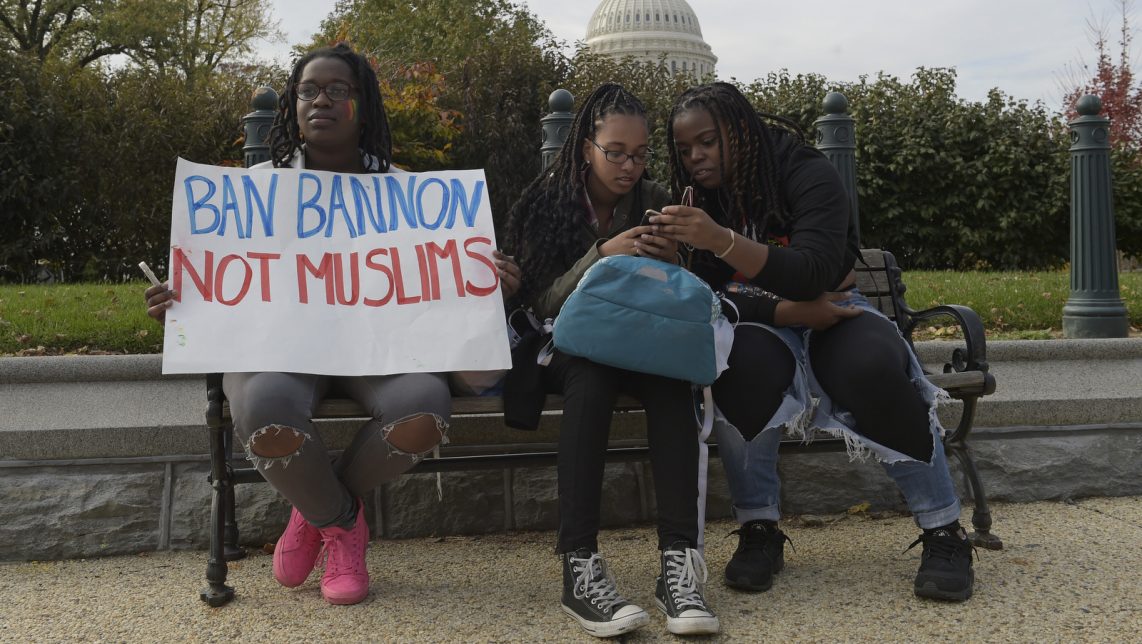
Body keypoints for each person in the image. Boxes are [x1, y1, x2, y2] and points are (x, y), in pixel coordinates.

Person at [144, 43, 519, 606]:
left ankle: (312, 509)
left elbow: (442, 285)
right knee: (264, 407)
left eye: (337, 90)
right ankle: (342, 525)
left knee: (422, 409)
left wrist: (489, 285)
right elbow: (224, 278)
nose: (320, 100)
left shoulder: (411, 195)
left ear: (361, 103)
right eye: (308, 91)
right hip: (281, 353)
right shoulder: (254, 193)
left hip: (380, 352)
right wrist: (181, 297)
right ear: (293, 105)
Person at [654, 82, 975, 602]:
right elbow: (709, 293)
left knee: (869, 366)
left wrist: (721, 240)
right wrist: (787, 310)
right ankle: (759, 528)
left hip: (839, 307)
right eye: (686, 148)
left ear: (739, 132)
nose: (695, 158)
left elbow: (815, 271)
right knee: (733, 363)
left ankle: (944, 532)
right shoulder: (697, 199)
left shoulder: (806, 174)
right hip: (766, 318)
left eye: (708, 142)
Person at [502, 83, 720, 637]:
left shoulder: (657, 197)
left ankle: (679, 566)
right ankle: (580, 567)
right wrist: (601, 256)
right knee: (592, 380)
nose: (629, 166)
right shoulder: (545, 202)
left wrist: (672, 262)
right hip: (567, 345)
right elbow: (537, 302)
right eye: (615, 152)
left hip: (644, 338)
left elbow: (687, 296)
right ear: (585, 148)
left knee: (673, 381)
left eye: (640, 154)